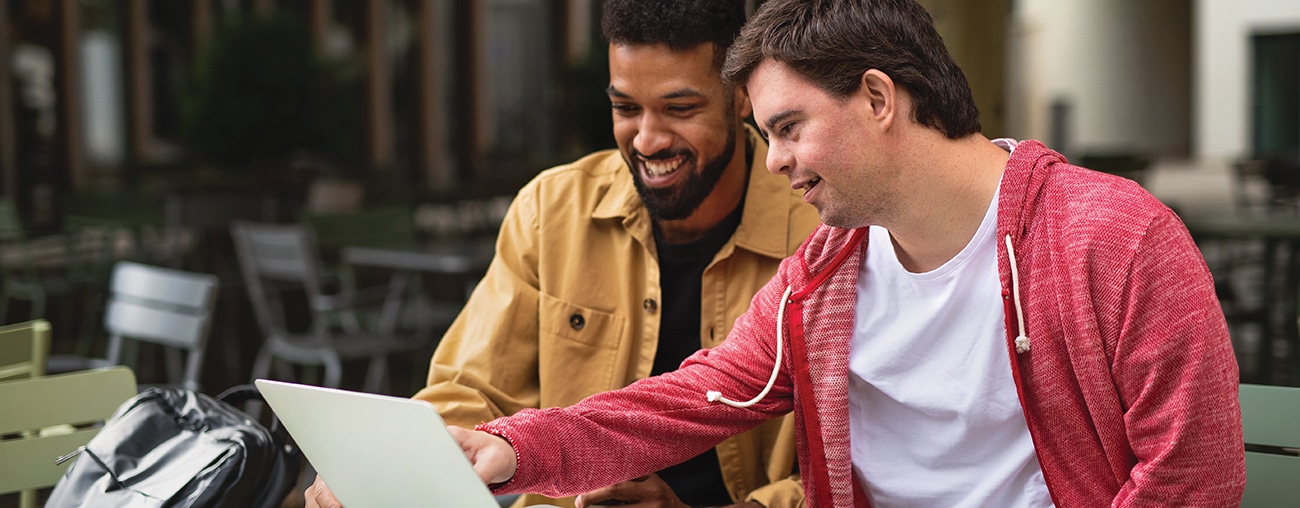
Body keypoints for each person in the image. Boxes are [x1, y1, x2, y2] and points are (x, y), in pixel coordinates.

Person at [451, 0, 1248, 506]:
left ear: (877, 97)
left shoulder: (1115, 239)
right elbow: (693, 399)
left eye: (790, 128)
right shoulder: (828, 271)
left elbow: (1192, 481)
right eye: (765, 136)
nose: (772, 162)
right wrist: (514, 447)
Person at [304, 1, 818, 507]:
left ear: (742, 97)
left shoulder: (820, 233)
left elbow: (851, 464)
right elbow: (468, 387)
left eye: (679, 109)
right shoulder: (550, 211)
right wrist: (384, 464)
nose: (647, 139)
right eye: (625, 108)